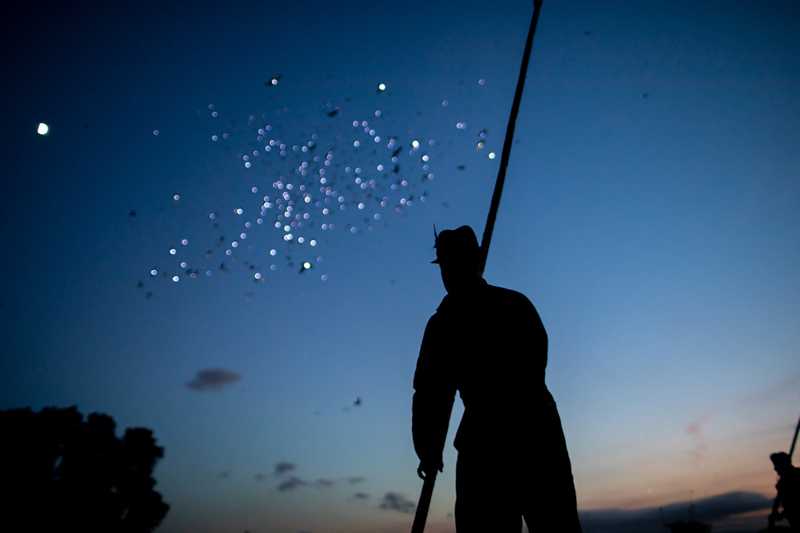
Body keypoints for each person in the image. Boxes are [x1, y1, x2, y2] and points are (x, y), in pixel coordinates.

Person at [412, 225, 582, 532]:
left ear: (474, 261)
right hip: (490, 447)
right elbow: (431, 392)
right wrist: (428, 448)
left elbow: (533, 367)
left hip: (530, 439)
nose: (449, 272)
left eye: (455, 262)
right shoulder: (444, 325)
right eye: (445, 265)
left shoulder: (510, 306)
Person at [769, 451, 799, 531]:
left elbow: (795, 505)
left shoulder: (796, 477)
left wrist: (781, 515)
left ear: (784, 464)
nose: (775, 468)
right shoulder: (782, 483)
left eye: (776, 464)